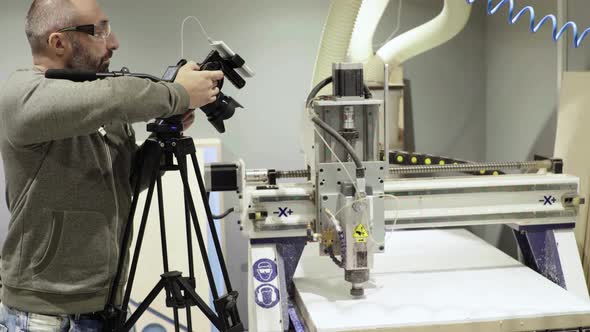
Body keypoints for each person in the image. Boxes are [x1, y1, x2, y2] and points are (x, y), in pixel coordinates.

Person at [0, 0, 224, 331]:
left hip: (108, 307)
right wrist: (177, 92)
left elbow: (127, 179)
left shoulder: (103, 108)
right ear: (58, 42)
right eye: (100, 30)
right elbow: (114, 96)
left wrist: (160, 144)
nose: (114, 41)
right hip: (44, 316)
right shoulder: (20, 96)